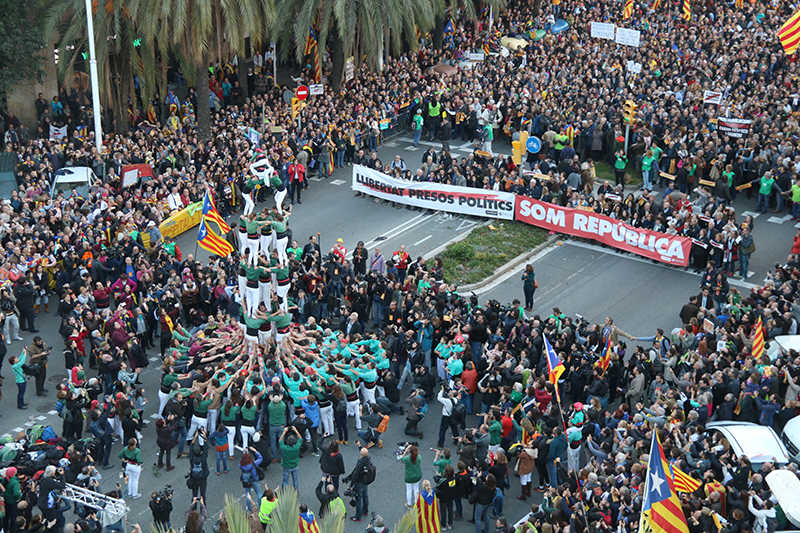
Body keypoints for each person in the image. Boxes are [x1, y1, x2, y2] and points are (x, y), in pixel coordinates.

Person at [345, 447, 372, 521]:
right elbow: (364, 452)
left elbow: (355, 475)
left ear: (361, 455)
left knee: (358, 499)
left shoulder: (360, 462)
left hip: (359, 483)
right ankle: (365, 511)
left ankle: (358, 516)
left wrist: (351, 486)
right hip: (365, 482)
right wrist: (359, 446)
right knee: (365, 496)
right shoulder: (368, 460)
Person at [400, 443, 422, 508]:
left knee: (409, 490)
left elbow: (402, 459)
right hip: (417, 475)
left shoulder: (407, 458)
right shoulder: (419, 457)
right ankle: (416, 503)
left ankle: (409, 504)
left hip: (409, 477)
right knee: (416, 489)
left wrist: (406, 450)